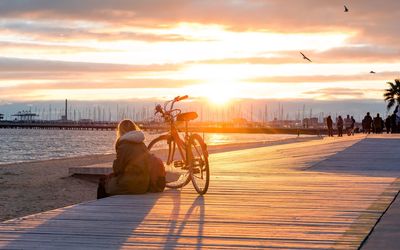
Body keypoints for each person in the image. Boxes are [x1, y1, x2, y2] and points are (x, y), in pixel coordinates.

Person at [97, 119, 150, 199]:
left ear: (120, 131)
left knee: (103, 183)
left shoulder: (123, 145)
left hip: (130, 185)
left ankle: (102, 208)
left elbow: (118, 169)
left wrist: (115, 163)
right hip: (144, 184)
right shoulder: (142, 144)